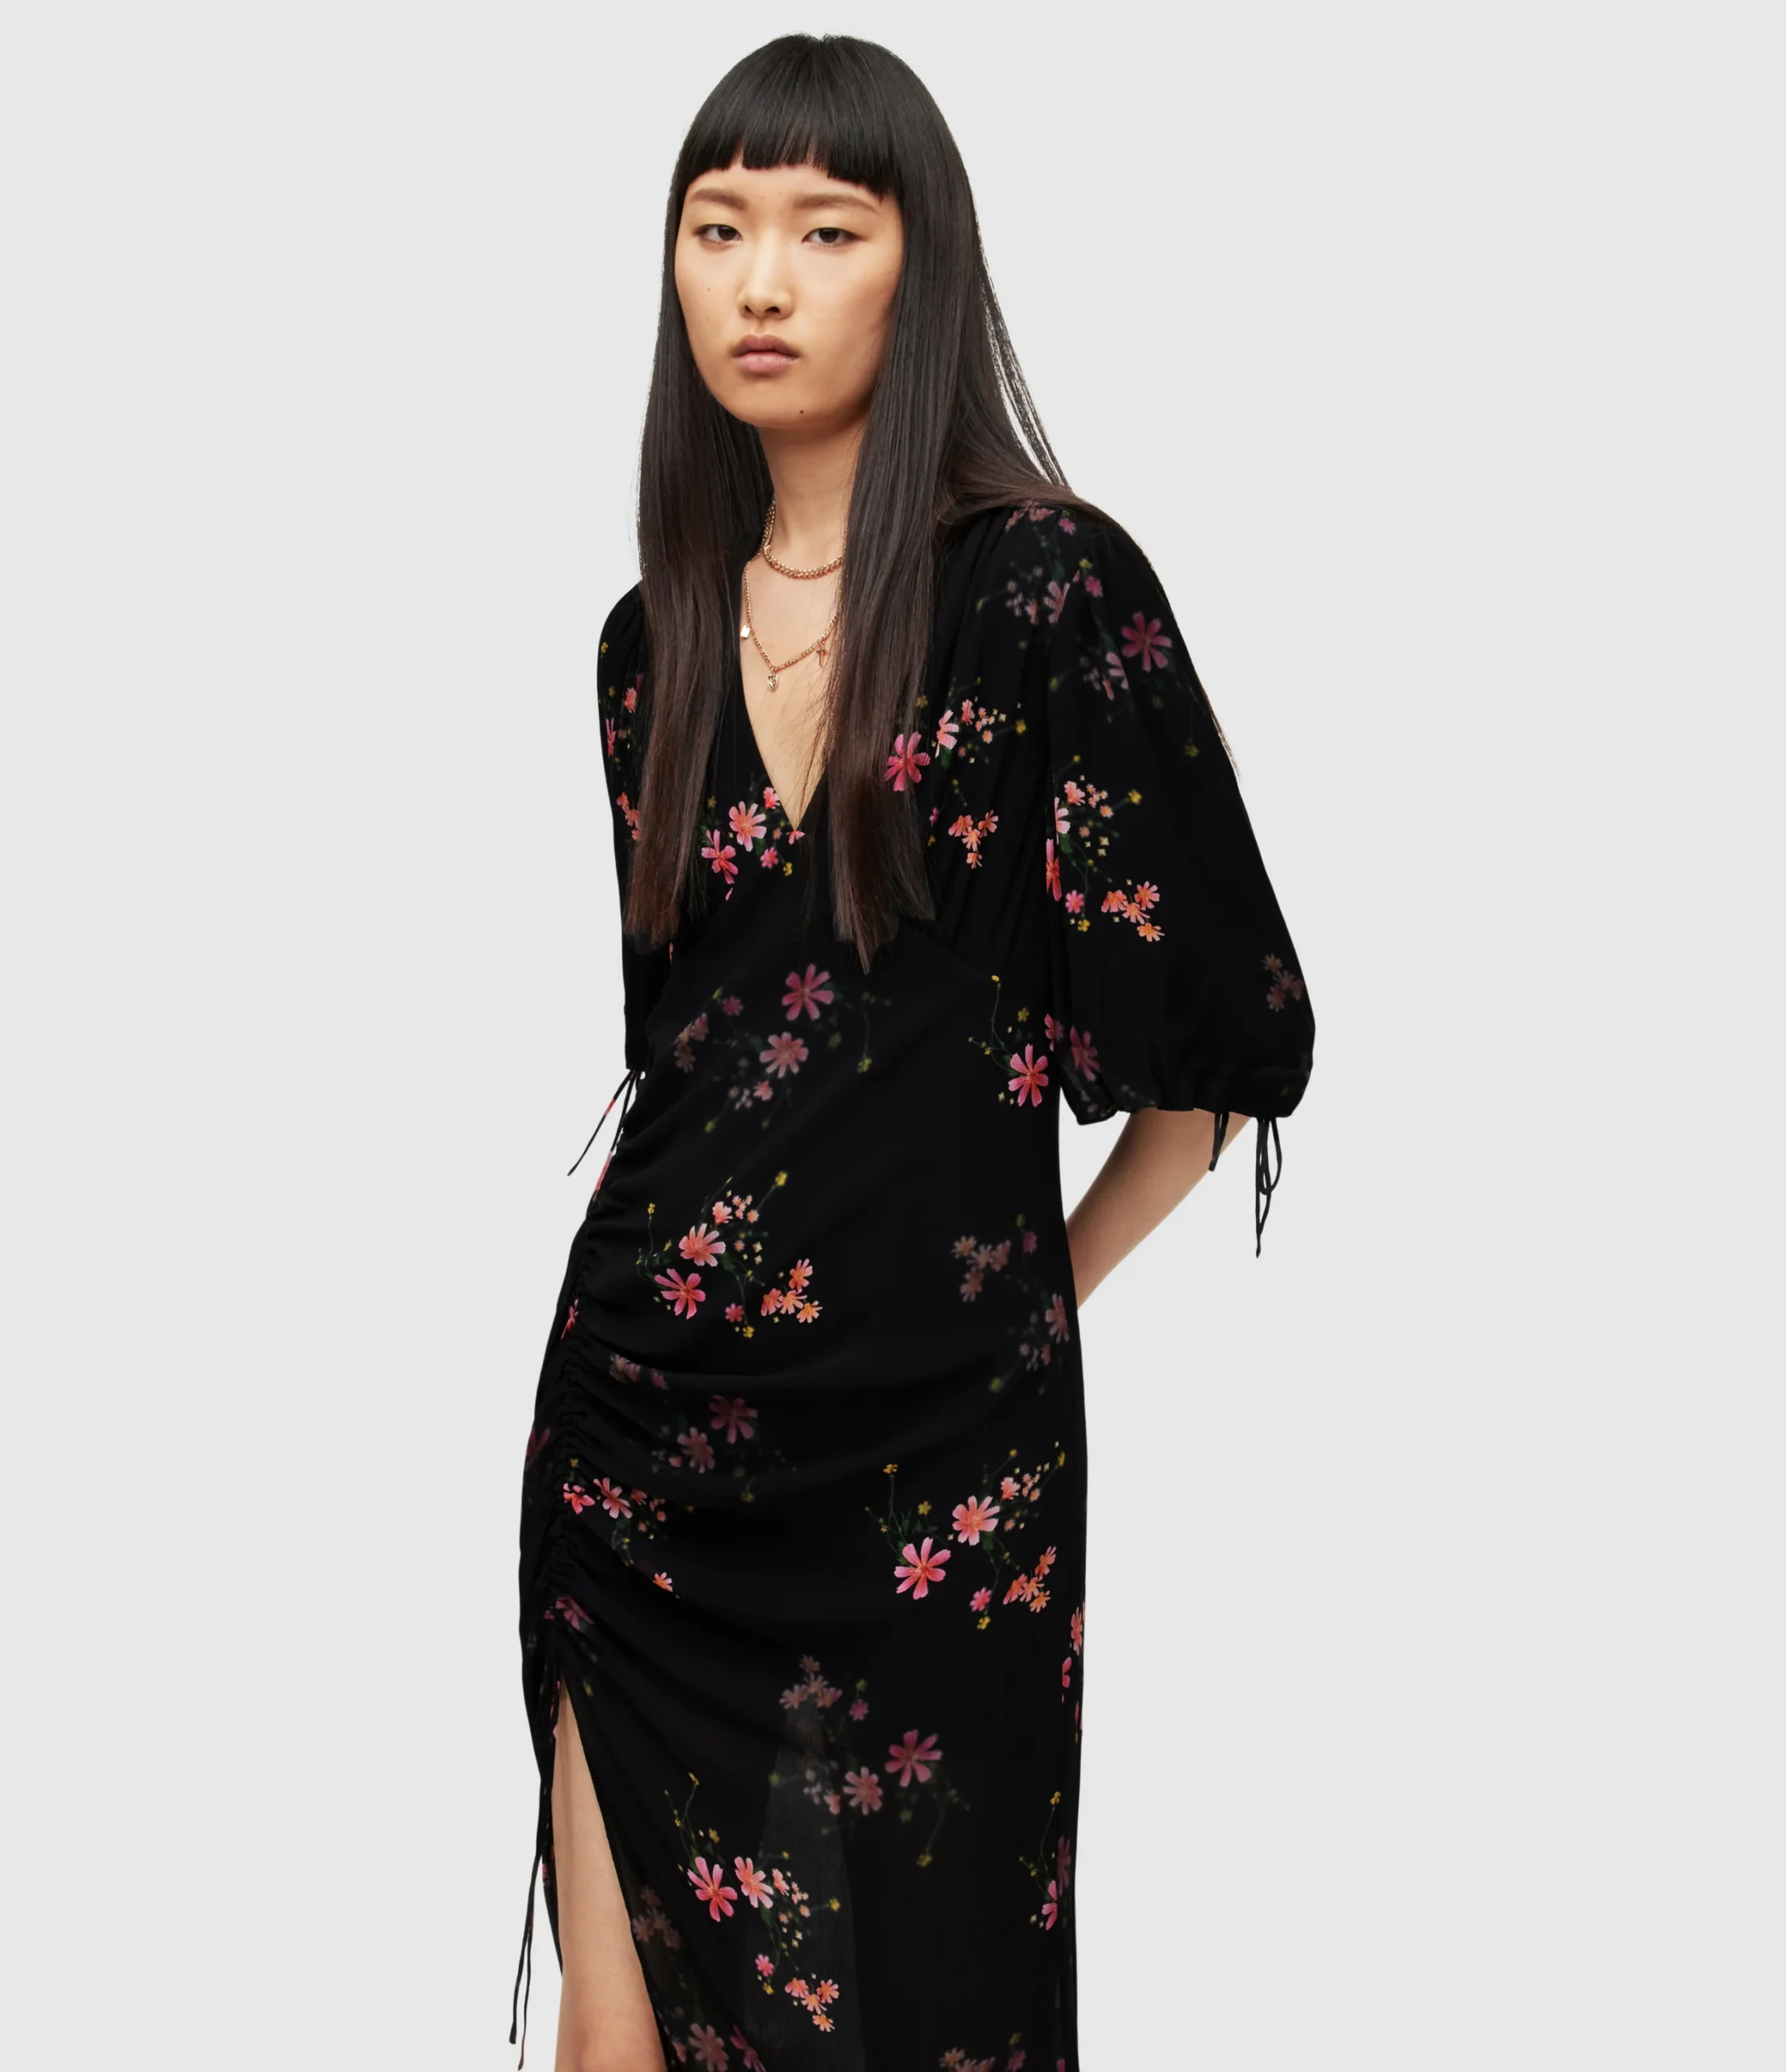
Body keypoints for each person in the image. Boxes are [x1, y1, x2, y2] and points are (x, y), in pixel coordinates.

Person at [514, 33, 1315, 2072]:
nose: (760, 282)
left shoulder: (1044, 590)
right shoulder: (647, 644)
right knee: (612, 2035)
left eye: (823, 228)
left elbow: (1205, 1059)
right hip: (639, 1434)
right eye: (717, 230)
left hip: (943, 1464)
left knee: (932, 2018)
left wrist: (1015, 1313)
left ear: (917, 263)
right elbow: (690, 1059)